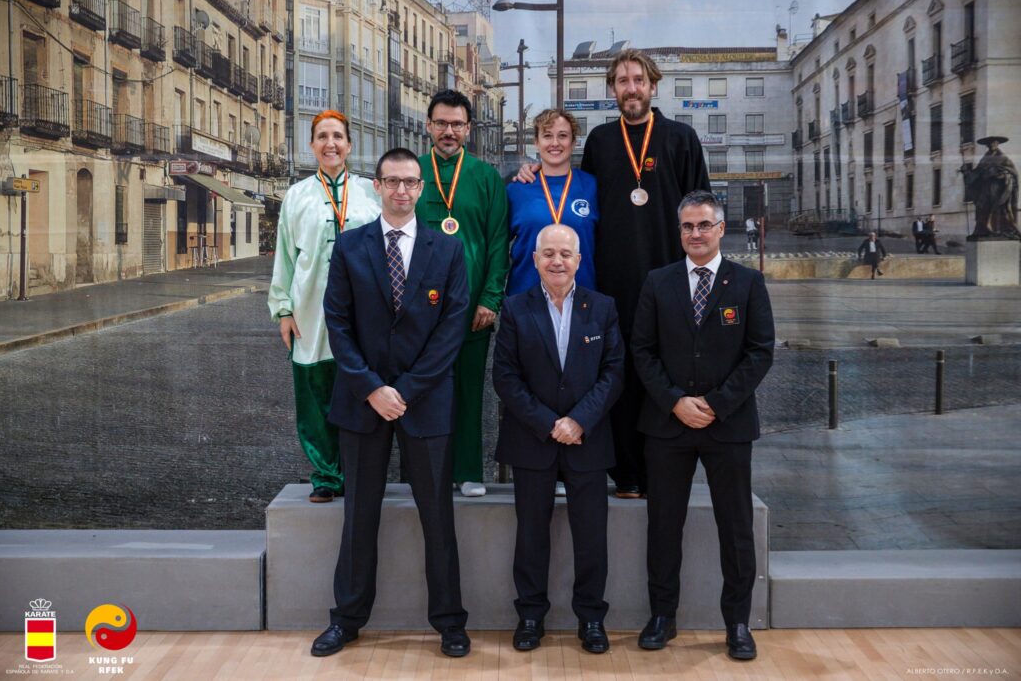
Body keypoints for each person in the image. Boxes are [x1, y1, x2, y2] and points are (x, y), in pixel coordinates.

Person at [517, 49, 711, 499]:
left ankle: (663, 473)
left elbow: (701, 212)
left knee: (664, 375)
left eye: (638, 79)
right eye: (623, 81)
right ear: (613, 89)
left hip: (669, 280)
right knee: (617, 377)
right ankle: (625, 474)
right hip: (614, 283)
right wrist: (532, 168)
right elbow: (575, 196)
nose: (631, 88)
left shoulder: (681, 138)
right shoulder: (602, 142)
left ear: (653, 85)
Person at [312, 148, 472, 658]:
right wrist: (371, 388)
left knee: (438, 517)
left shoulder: (448, 249)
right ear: (377, 186)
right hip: (363, 402)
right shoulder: (350, 246)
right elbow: (337, 323)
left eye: (410, 182)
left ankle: (450, 622)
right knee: (359, 516)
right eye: (392, 181)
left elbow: (453, 327)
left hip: (425, 401)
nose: (402, 190)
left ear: (421, 189)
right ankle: (346, 620)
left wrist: (407, 390)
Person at [630, 190, 774, 661]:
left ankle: (737, 623)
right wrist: (675, 402)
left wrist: (715, 403)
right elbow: (642, 351)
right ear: (680, 232)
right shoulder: (658, 282)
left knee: (736, 528)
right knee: (663, 526)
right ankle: (662, 616)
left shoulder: (748, 283)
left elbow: (760, 352)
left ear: (721, 229)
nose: (695, 233)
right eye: (688, 226)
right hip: (667, 426)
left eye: (704, 225)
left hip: (727, 426)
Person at [492, 225, 624, 656]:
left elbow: (613, 373)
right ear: (534, 260)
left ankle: (592, 618)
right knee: (531, 535)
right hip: (533, 440)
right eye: (548, 253)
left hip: (588, 440)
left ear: (578, 260)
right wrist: (550, 423)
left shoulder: (602, 308)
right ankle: (531, 616)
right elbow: (505, 377)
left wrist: (579, 421)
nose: (557, 261)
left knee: (592, 537)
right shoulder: (515, 309)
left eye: (565, 254)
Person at [268, 110, 381, 503]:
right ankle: (327, 475)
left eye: (337, 136)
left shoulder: (370, 192)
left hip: (364, 311)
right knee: (315, 394)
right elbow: (285, 255)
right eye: (322, 136)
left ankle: (358, 471)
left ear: (349, 144)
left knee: (361, 390)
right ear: (312, 144)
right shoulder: (297, 195)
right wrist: (283, 309)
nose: (330, 143)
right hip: (310, 310)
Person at [417, 89, 510, 498]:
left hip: (472, 308)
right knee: (421, 392)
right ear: (428, 126)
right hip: (419, 311)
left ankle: (468, 470)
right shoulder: (413, 172)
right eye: (441, 123)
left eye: (456, 124)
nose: (448, 132)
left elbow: (498, 242)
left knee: (469, 391)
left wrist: (490, 299)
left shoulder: (485, 177)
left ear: (469, 129)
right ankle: (423, 473)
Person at [506, 110, 599, 296]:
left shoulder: (592, 186)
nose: (555, 143)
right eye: (547, 136)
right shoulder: (516, 189)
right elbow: (497, 248)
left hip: (581, 297)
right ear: (536, 142)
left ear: (573, 142)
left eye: (562, 136)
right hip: (525, 297)